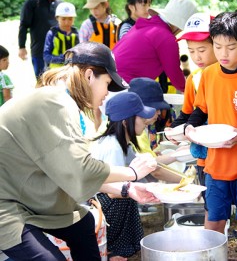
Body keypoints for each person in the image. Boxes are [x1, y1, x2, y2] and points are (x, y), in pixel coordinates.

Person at [0, 42, 158, 261]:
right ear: (89, 75)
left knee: (82, 224)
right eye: (107, 83)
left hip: (27, 196)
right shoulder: (54, 101)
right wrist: (132, 172)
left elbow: (68, 171)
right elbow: (81, 169)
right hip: (7, 204)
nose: (106, 94)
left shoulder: (58, 99)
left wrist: (126, 189)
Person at [183, 12, 237, 261]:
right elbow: (200, 110)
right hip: (216, 165)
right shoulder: (207, 76)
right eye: (218, 47)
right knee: (213, 223)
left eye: (231, 47)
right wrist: (189, 127)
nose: (224, 54)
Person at [165, 12, 217, 229]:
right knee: (210, 201)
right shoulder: (194, 78)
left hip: (233, 153)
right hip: (204, 155)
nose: (197, 57)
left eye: (202, 50)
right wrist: (174, 130)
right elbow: (187, 113)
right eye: (191, 51)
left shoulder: (232, 74)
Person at [91, 91, 158, 261]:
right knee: (125, 197)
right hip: (96, 205)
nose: (145, 120)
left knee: (128, 191)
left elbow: (149, 167)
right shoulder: (113, 146)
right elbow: (112, 191)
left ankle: (117, 249)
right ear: (125, 122)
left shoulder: (123, 143)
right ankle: (112, 250)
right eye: (140, 116)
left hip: (101, 201)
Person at [113, 0, 198, 93]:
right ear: (179, 25)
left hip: (106, 81)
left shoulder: (144, 26)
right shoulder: (166, 37)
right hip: (123, 87)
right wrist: (193, 93)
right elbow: (176, 77)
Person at [129, 77, 183, 183]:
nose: (159, 113)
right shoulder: (137, 132)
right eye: (156, 109)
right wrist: (187, 180)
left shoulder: (139, 129)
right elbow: (154, 169)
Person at [18, 0, 61, 78]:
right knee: (42, 80)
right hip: (39, 51)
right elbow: (24, 25)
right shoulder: (32, 3)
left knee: (59, 82)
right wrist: (22, 46)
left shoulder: (60, 4)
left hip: (58, 52)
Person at [43, 2, 80, 69]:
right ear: (57, 18)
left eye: (70, 19)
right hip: (55, 71)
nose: (67, 22)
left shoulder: (77, 33)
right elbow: (46, 56)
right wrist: (62, 59)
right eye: (63, 19)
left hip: (72, 70)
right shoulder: (52, 33)